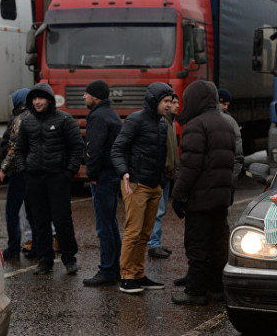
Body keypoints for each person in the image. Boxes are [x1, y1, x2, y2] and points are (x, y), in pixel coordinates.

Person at [170, 80, 235, 306]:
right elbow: (232, 163)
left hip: (200, 198)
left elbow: (190, 167)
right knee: (217, 244)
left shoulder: (196, 125)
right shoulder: (226, 124)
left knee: (197, 243)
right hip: (220, 198)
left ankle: (195, 291)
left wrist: (178, 195)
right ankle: (217, 289)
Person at [13, 83, 83, 275]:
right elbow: (19, 150)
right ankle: (45, 260)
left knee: (62, 220)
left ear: (50, 100)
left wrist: (69, 171)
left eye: (41, 98)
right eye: (34, 98)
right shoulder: (27, 122)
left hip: (58, 178)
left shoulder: (64, 120)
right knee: (39, 221)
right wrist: (24, 170)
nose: (37, 102)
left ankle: (69, 258)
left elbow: (77, 147)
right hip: (34, 179)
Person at [110, 82, 173, 294]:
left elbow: (162, 154)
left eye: (170, 101)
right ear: (155, 101)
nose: (169, 105)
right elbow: (118, 148)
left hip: (154, 185)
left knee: (145, 233)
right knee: (133, 231)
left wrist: (162, 180)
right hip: (135, 184)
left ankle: (138, 273)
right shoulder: (136, 120)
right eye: (165, 101)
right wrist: (124, 172)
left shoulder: (162, 123)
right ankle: (127, 276)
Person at [82, 80, 123, 287]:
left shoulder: (98, 116)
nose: (84, 97)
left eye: (86, 94)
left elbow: (94, 148)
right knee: (111, 222)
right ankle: (115, 268)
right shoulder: (111, 114)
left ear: (95, 96)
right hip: (113, 173)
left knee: (104, 225)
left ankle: (107, 269)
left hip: (104, 176)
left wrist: (92, 172)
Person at [0, 88, 34, 260]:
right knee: (33, 210)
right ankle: (37, 246)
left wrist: (2, 170)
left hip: (19, 171)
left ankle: (13, 248)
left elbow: (13, 149)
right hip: (34, 171)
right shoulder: (38, 117)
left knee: (12, 211)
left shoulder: (19, 120)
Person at [148, 93, 180, 259]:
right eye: (171, 102)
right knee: (157, 210)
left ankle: (156, 242)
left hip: (167, 173)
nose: (176, 106)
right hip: (162, 174)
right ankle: (153, 244)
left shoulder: (170, 122)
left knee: (160, 209)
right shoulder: (163, 122)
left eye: (176, 102)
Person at [217, 88, 244, 193]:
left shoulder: (227, 117)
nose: (226, 107)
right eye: (224, 104)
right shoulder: (228, 120)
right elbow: (238, 155)